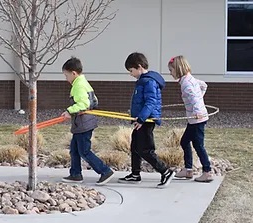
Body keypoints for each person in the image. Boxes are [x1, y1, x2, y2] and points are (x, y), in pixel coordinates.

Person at [118, 52, 174, 188]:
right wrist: (135, 113)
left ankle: (165, 171)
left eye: (131, 71)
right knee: (135, 147)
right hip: (141, 120)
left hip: (147, 121)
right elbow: (141, 102)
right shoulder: (143, 81)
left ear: (139, 67)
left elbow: (150, 102)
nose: (130, 74)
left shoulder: (149, 81)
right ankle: (135, 174)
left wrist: (142, 118)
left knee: (145, 149)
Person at [60, 57, 114, 186]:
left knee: (84, 151)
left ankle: (105, 171)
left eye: (66, 75)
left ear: (73, 73)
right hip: (83, 123)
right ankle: (75, 174)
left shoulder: (78, 85)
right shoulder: (84, 82)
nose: (66, 78)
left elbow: (84, 103)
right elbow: (94, 100)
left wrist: (70, 111)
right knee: (74, 149)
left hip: (83, 124)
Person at [168, 55, 213, 182]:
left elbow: (193, 98)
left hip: (197, 119)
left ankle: (207, 171)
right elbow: (204, 86)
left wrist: (198, 109)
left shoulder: (186, 84)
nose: (170, 73)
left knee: (198, 145)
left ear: (178, 69)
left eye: (171, 70)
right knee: (184, 141)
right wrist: (200, 98)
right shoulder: (189, 79)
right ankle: (188, 170)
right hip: (193, 119)